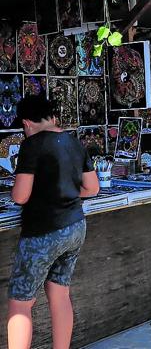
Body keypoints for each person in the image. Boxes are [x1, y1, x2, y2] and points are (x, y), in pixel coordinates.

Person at [8, 96, 99, 349]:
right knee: (60, 293)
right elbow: (92, 187)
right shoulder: (75, 142)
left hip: (43, 231)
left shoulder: (32, 145)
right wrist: (66, 191)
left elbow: (20, 195)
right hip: (75, 226)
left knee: (20, 302)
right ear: (53, 117)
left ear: (26, 123)